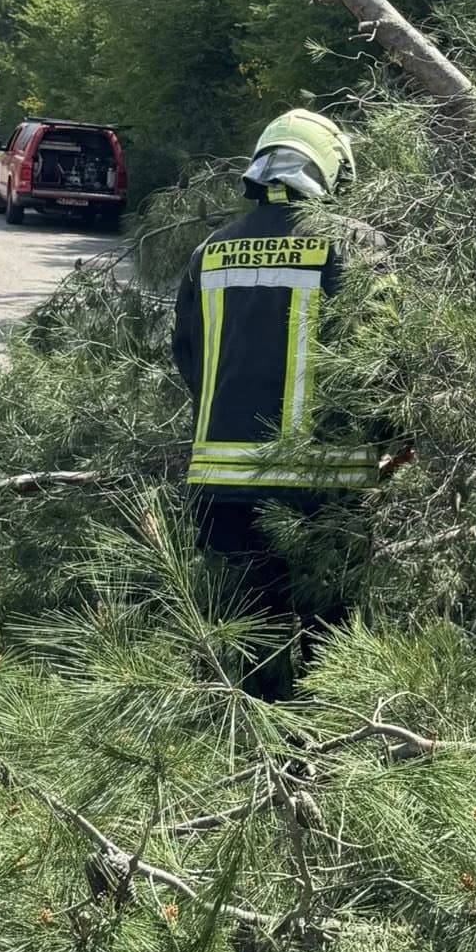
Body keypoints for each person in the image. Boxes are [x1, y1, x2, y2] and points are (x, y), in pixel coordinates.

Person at [171, 108, 382, 693]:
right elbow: (389, 359)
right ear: (334, 172)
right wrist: (394, 446)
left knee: (253, 645)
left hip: (222, 489)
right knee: (330, 650)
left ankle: (260, 768)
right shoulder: (353, 245)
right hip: (326, 488)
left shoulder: (209, 252)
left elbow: (189, 358)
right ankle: (324, 766)